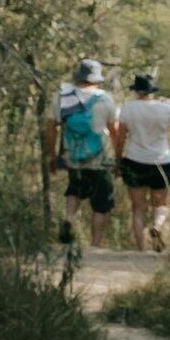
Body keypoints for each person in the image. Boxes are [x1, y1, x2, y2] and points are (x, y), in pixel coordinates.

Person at [114, 71, 170, 250]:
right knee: (160, 204)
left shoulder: (128, 108)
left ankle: (141, 248)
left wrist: (118, 160)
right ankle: (158, 226)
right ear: (152, 90)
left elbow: (121, 136)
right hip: (160, 161)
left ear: (136, 91)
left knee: (138, 207)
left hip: (135, 159)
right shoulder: (164, 108)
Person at [51, 58, 118, 249]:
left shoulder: (62, 97)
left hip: (73, 158)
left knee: (75, 189)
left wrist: (52, 155)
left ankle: (70, 218)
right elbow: (114, 130)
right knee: (101, 204)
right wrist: (118, 157)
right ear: (96, 79)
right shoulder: (105, 99)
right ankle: (95, 245)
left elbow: (51, 128)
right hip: (98, 160)